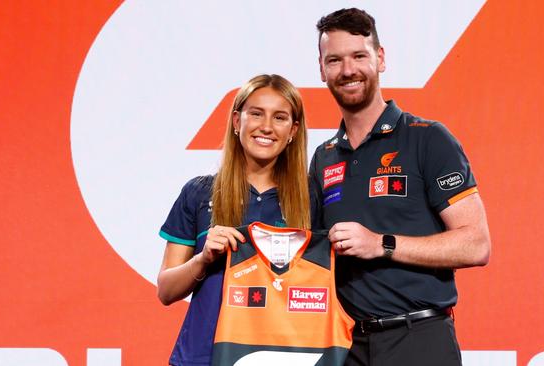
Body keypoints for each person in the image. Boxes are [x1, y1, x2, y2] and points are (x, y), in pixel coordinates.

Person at [309, 8, 491, 366]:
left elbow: (477, 244)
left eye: (359, 56)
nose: (348, 70)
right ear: (322, 69)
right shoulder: (323, 157)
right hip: (346, 347)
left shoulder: (428, 139)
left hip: (418, 339)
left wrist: (380, 244)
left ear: (380, 58)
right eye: (335, 60)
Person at [157, 74, 311, 366]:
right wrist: (202, 259)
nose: (266, 126)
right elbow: (165, 290)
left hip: (283, 355)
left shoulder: (311, 198)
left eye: (279, 117)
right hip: (204, 356)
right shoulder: (199, 193)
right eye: (256, 114)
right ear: (237, 121)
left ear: (293, 130)